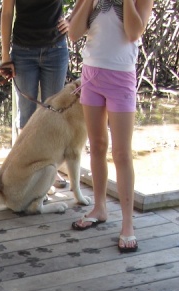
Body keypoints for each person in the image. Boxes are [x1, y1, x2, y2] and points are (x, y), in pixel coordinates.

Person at [67, 0, 153, 253]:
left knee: (122, 153)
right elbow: (73, 33)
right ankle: (99, 207)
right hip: (91, 73)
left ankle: (128, 224)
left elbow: (134, 32)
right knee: (96, 146)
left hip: (121, 76)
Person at [0, 0, 71, 188]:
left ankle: (50, 170)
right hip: (23, 51)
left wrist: (71, 19)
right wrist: (5, 55)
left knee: (53, 114)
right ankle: (26, 173)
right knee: (26, 117)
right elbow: (7, 13)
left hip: (56, 49)